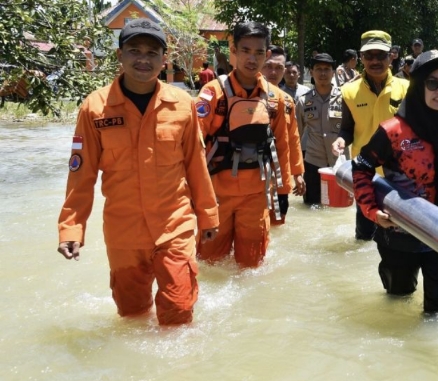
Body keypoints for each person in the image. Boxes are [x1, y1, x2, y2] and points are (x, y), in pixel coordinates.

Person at [57, 18, 220, 325]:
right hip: (123, 232)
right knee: (132, 316)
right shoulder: (95, 108)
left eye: (151, 52)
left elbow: (196, 166)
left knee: (179, 312)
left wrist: (208, 215)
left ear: (164, 59)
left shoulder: (182, 105)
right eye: (134, 50)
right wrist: (71, 228)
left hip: (175, 226)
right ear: (120, 56)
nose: (143, 59)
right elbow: (82, 174)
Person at [352, 50, 438, 314]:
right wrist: (371, 211)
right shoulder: (392, 131)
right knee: (397, 302)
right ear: (418, 86)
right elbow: (361, 168)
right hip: (401, 234)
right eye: (432, 83)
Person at [195, 21, 293, 267]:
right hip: (217, 194)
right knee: (209, 263)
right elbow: (193, 145)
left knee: (252, 266)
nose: (252, 58)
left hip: (256, 196)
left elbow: (283, 144)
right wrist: (193, 194)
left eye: (259, 52)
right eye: (246, 50)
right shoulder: (212, 93)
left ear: (267, 55)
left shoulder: (275, 98)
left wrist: (284, 191)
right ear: (233, 51)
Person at [332, 30, 409, 241]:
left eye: (381, 55)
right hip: (365, 175)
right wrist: (340, 140)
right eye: (369, 56)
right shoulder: (348, 91)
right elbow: (347, 129)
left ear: (391, 56)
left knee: (398, 237)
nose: (375, 61)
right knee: (364, 236)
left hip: (400, 177)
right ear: (361, 58)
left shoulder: (407, 89)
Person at [261, 45, 306, 224]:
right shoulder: (244, 97)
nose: (274, 72)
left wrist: (298, 173)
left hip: (280, 179)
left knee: (279, 225)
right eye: (269, 66)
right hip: (250, 178)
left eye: (279, 68)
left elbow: (293, 139)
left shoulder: (287, 101)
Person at [296, 53, 349, 205]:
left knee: (340, 207)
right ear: (311, 72)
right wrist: (296, 169)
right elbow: (296, 136)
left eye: (327, 69)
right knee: (311, 206)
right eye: (318, 69)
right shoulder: (303, 101)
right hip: (313, 163)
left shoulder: (345, 98)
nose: (323, 73)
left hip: (340, 163)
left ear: (333, 72)